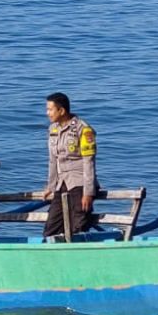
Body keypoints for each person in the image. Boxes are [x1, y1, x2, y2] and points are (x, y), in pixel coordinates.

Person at [43, 92, 97, 240]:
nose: (47, 113)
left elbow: (89, 162)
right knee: (50, 229)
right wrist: (51, 186)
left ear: (61, 110)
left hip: (79, 184)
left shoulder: (83, 129)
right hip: (62, 184)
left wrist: (88, 192)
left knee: (78, 227)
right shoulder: (53, 129)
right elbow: (53, 160)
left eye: (50, 109)